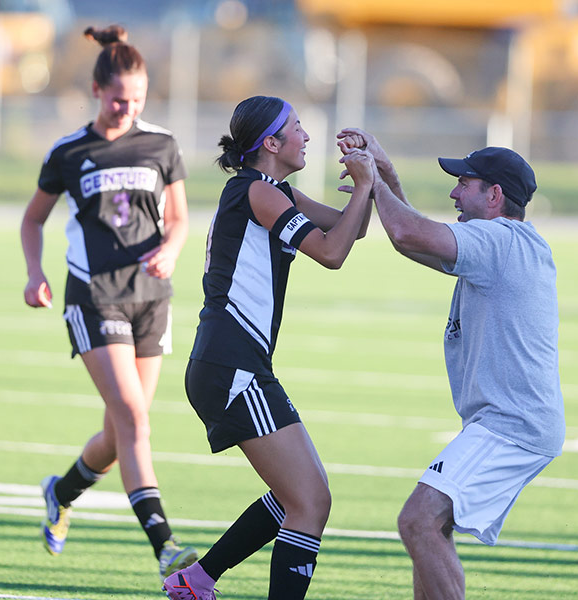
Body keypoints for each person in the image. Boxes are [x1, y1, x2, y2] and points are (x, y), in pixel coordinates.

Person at [335, 128, 565, 600]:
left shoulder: (498, 240)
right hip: (503, 422)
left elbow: (405, 230)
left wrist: (372, 181)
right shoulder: (503, 242)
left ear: (494, 195)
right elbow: (413, 241)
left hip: (511, 425)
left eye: (465, 183)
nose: (454, 192)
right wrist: (387, 174)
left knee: (417, 521)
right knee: (431, 529)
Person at [161, 96, 373, 600]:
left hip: (234, 364)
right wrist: (365, 186)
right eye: (297, 128)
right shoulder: (258, 192)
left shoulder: (273, 192)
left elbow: (353, 227)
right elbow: (332, 252)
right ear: (271, 144)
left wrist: (373, 178)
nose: (306, 136)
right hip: (231, 365)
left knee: (297, 495)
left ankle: (197, 580)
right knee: (311, 502)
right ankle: (198, 581)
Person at [20, 25, 196, 582]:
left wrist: (171, 248)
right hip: (94, 296)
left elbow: (181, 219)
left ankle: (62, 490)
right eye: (120, 98)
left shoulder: (162, 144)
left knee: (123, 435)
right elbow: (33, 218)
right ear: (97, 91)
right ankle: (164, 544)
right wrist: (33, 273)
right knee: (133, 420)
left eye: (138, 100)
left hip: (152, 299)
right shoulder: (70, 151)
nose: (128, 108)